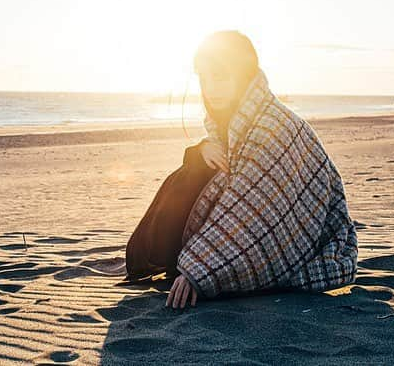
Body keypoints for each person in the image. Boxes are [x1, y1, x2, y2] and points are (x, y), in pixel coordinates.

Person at [125, 30, 358, 309]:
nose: (211, 88)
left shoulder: (272, 125)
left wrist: (198, 271)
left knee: (197, 175)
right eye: (205, 79)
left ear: (244, 76)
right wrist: (200, 151)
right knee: (192, 170)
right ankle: (155, 258)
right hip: (221, 239)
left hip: (306, 238)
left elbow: (253, 210)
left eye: (221, 77)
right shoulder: (231, 121)